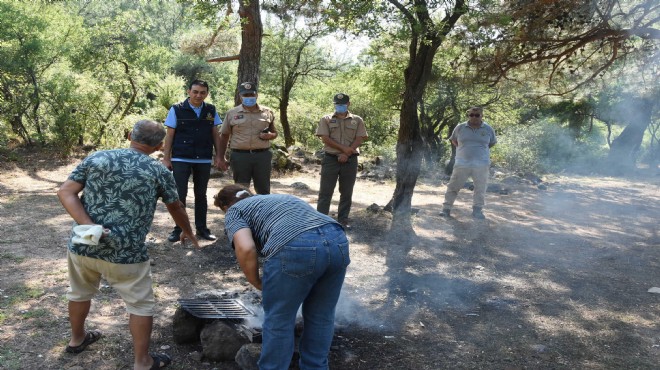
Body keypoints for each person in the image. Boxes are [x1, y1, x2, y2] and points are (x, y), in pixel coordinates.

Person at [57, 120, 200, 370]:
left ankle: (77, 339)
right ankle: (143, 362)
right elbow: (175, 206)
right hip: (127, 252)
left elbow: (65, 192)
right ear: (159, 145)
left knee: (79, 292)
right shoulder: (158, 171)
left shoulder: (97, 158)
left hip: (83, 245)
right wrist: (187, 231)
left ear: (129, 136)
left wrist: (90, 227)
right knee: (140, 304)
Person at [213, 184, 350, 370]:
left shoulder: (234, 211)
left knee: (279, 319)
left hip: (296, 247)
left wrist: (255, 281)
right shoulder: (280, 198)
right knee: (322, 316)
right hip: (337, 240)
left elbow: (245, 247)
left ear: (225, 206)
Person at [161, 79, 223, 242]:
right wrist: (166, 158)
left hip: (203, 158)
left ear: (207, 94)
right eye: (195, 92)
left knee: (201, 195)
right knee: (179, 194)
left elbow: (215, 134)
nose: (198, 95)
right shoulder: (176, 109)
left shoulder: (211, 110)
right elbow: (170, 135)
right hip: (181, 157)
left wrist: (219, 155)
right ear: (188, 92)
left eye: (202, 92)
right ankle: (179, 229)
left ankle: (202, 229)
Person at [315, 93, 368, 229]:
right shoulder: (326, 119)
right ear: (334, 105)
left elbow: (360, 138)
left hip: (350, 160)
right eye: (337, 105)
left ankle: (343, 220)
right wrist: (344, 149)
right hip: (331, 159)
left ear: (348, 104)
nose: (340, 107)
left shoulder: (357, 120)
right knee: (325, 192)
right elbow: (325, 139)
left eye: (342, 104)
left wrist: (347, 152)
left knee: (346, 192)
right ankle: (321, 221)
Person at [217, 82, 277, 194]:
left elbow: (274, 133)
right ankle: (242, 211)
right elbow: (224, 135)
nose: (249, 97)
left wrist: (270, 135)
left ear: (256, 95)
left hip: (262, 156)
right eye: (245, 95)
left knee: (263, 189)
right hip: (240, 156)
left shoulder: (267, 112)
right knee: (240, 190)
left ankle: (263, 211)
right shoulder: (232, 113)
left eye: (251, 94)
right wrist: (220, 157)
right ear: (240, 96)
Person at [440, 106, 497, 219]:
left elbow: (492, 143)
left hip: (481, 164)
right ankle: (446, 209)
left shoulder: (488, 129)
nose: (474, 117)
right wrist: (464, 150)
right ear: (468, 116)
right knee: (453, 186)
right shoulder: (460, 127)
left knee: (480, 188)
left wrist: (479, 151)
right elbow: (454, 140)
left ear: (482, 116)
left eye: (477, 115)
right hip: (462, 163)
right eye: (471, 115)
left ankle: (477, 211)